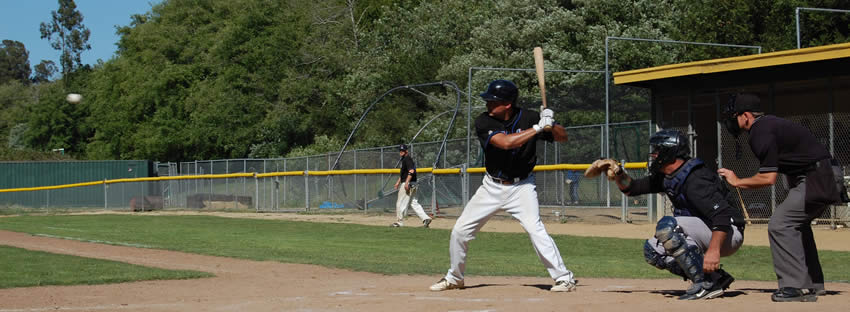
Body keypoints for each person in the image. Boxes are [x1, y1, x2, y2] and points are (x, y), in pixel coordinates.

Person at [429, 79, 578, 292]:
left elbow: (563, 138)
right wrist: (537, 127)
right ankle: (455, 278)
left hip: (522, 187)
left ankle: (564, 278)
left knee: (536, 231)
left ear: (507, 104)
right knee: (460, 231)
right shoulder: (484, 121)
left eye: (492, 101)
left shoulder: (529, 117)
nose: (488, 104)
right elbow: (506, 143)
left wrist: (551, 124)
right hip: (491, 187)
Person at [585, 129, 745, 300]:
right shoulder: (668, 176)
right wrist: (617, 172)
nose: (653, 155)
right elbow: (633, 188)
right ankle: (715, 277)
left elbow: (721, 215)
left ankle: (705, 284)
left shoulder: (695, 178)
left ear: (670, 152)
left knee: (667, 227)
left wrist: (713, 252)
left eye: (657, 150)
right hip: (707, 229)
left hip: (727, 232)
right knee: (653, 251)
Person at [717, 93, 845, 302]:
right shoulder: (769, 126)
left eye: (734, 116)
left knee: (780, 224)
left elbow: (768, 178)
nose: (731, 121)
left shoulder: (760, 131)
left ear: (747, 116)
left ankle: (793, 287)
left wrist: (737, 181)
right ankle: (813, 284)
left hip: (818, 177)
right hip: (824, 174)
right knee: (797, 225)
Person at [391, 144, 432, 228]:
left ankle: (399, 222)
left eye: (402, 150)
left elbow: (411, 171)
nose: (401, 152)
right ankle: (425, 218)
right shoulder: (404, 160)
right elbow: (403, 174)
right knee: (414, 203)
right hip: (412, 183)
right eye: (400, 150)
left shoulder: (407, 159)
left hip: (408, 184)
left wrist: (406, 183)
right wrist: (397, 182)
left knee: (400, 203)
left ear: (406, 151)